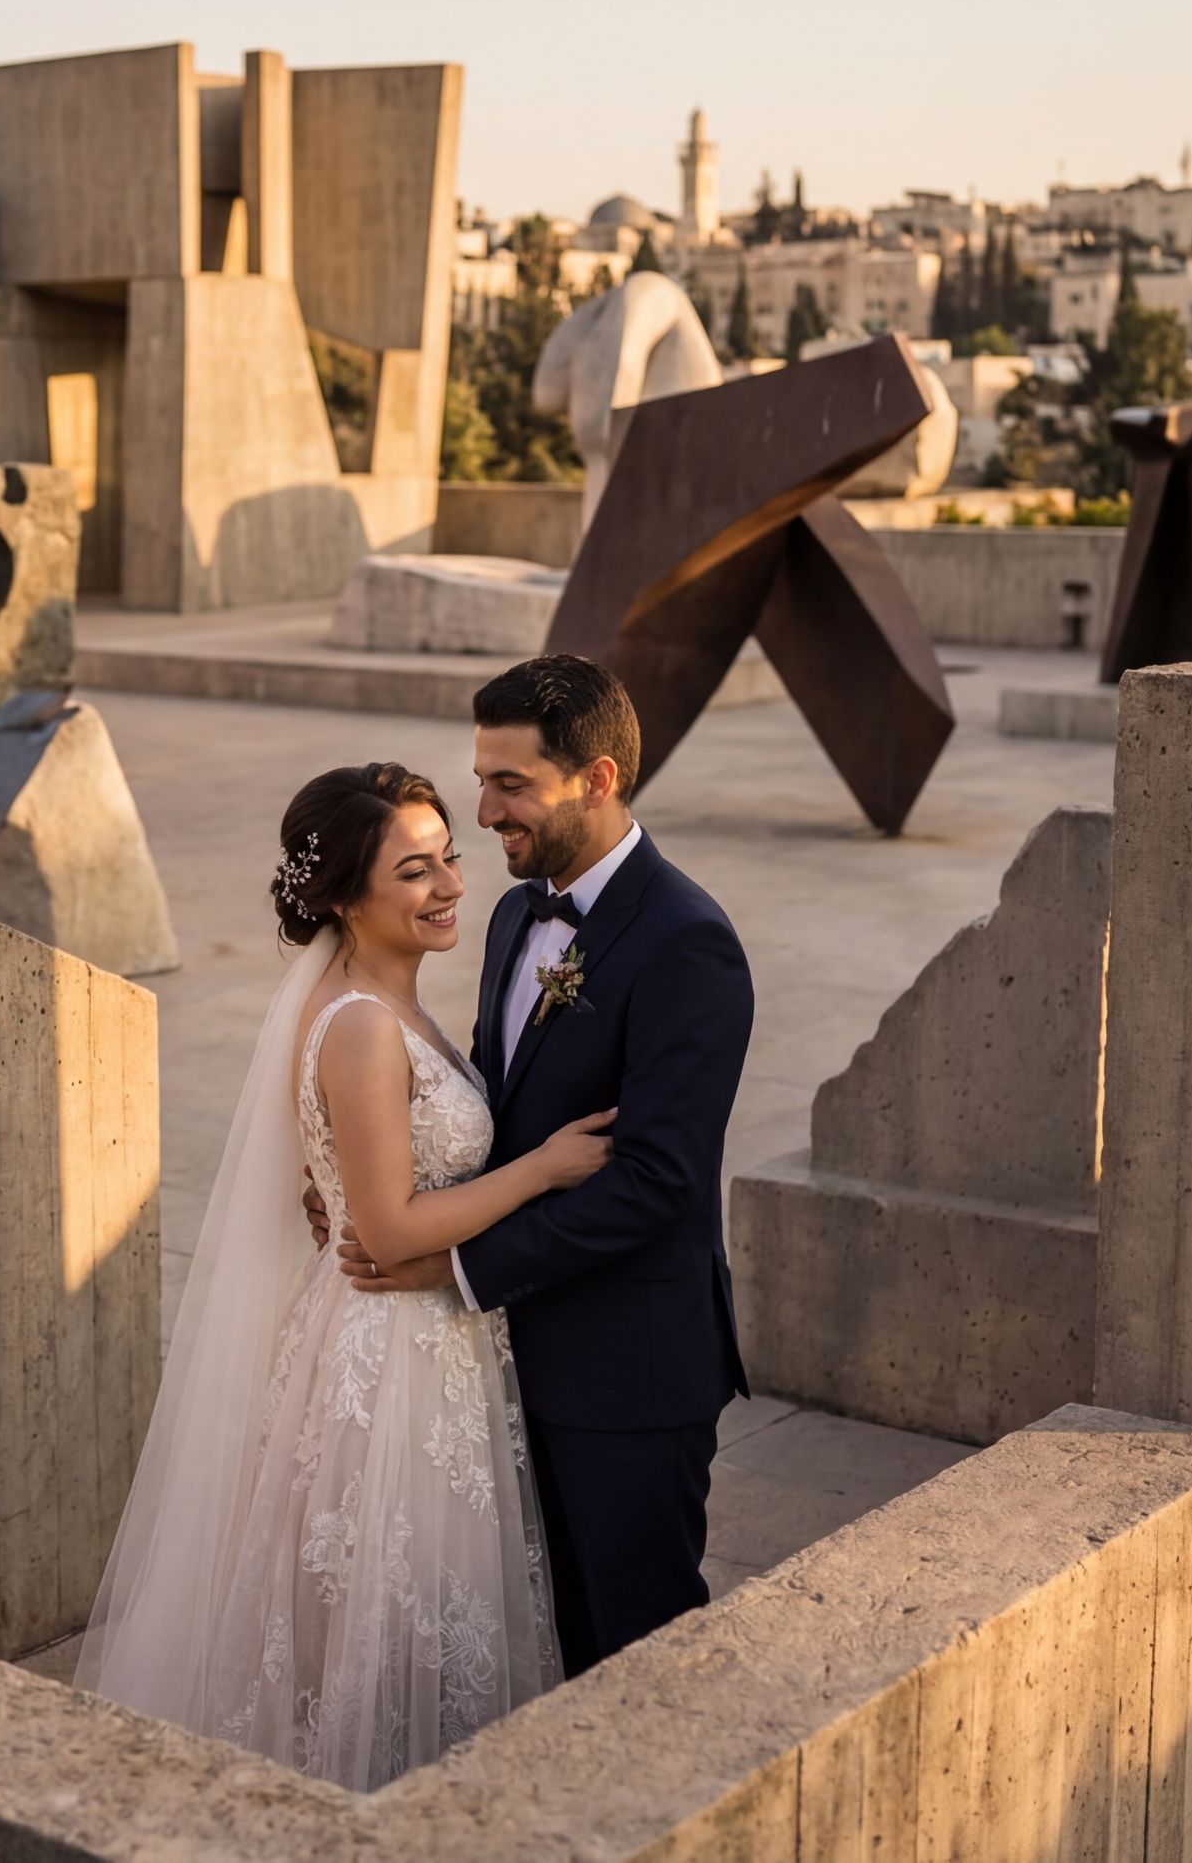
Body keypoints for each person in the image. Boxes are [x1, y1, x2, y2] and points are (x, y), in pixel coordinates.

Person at [74, 761, 615, 1788]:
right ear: (342, 898)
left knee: (404, 1606)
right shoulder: (362, 1025)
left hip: (409, 1328)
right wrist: (543, 1169)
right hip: (393, 1344)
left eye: (449, 857)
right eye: (415, 871)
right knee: (387, 1603)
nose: (451, 884)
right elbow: (394, 1224)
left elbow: (358, 1191)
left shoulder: (375, 1001)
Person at [322, 654, 754, 1676]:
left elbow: (657, 1181)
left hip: (627, 1372)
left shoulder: (689, 942)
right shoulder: (520, 913)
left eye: (510, 784)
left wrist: (459, 1266)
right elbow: (504, 1114)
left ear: (596, 780)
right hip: (512, 1360)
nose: (482, 812)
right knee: (543, 1648)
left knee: (633, 1650)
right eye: (481, 778)